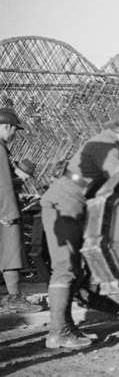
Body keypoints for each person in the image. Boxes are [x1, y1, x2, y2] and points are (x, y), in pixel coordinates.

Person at [41, 105, 119, 349]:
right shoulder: (105, 144)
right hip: (64, 205)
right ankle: (57, 332)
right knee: (65, 268)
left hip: (72, 204)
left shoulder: (107, 142)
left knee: (74, 269)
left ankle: (64, 328)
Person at [0, 108, 43, 313]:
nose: (14, 135)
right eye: (13, 130)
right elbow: (3, 185)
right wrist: (8, 212)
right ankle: (14, 297)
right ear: (5, 126)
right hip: (4, 210)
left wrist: (18, 179)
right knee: (11, 253)